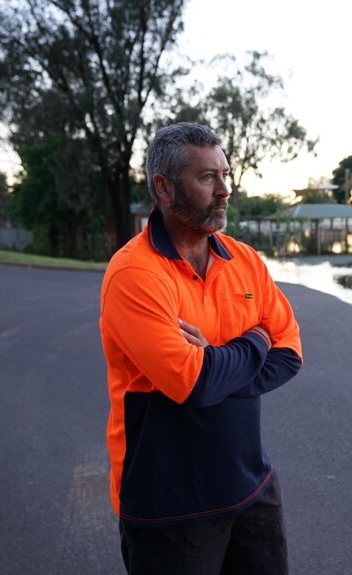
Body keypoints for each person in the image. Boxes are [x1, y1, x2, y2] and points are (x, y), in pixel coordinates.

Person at [99, 122, 303, 574]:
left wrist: (213, 359)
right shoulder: (134, 274)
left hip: (252, 488)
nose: (225, 189)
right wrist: (253, 341)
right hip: (168, 506)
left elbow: (289, 353)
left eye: (224, 174)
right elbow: (194, 384)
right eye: (207, 177)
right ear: (165, 188)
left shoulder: (244, 260)